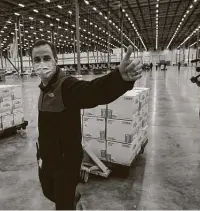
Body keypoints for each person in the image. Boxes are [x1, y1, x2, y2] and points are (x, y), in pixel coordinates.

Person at [30, 40, 142, 210]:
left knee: (63, 205)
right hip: (46, 157)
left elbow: (93, 91)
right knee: (48, 192)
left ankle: (70, 201)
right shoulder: (44, 88)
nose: (41, 64)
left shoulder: (66, 85)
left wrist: (119, 78)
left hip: (65, 160)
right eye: (36, 60)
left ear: (55, 60)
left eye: (46, 58)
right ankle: (72, 197)